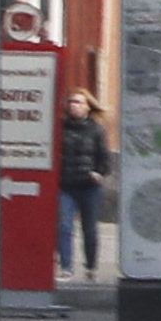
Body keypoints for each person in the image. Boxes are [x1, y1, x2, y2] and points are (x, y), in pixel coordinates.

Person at [56, 89, 111, 277]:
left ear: (88, 106)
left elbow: (104, 157)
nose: (74, 105)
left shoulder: (96, 129)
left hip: (89, 187)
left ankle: (90, 266)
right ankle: (66, 267)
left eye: (79, 102)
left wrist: (99, 172)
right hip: (66, 185)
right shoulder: (61, 128)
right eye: (71, 102)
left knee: (90, 228)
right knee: (64, 226)